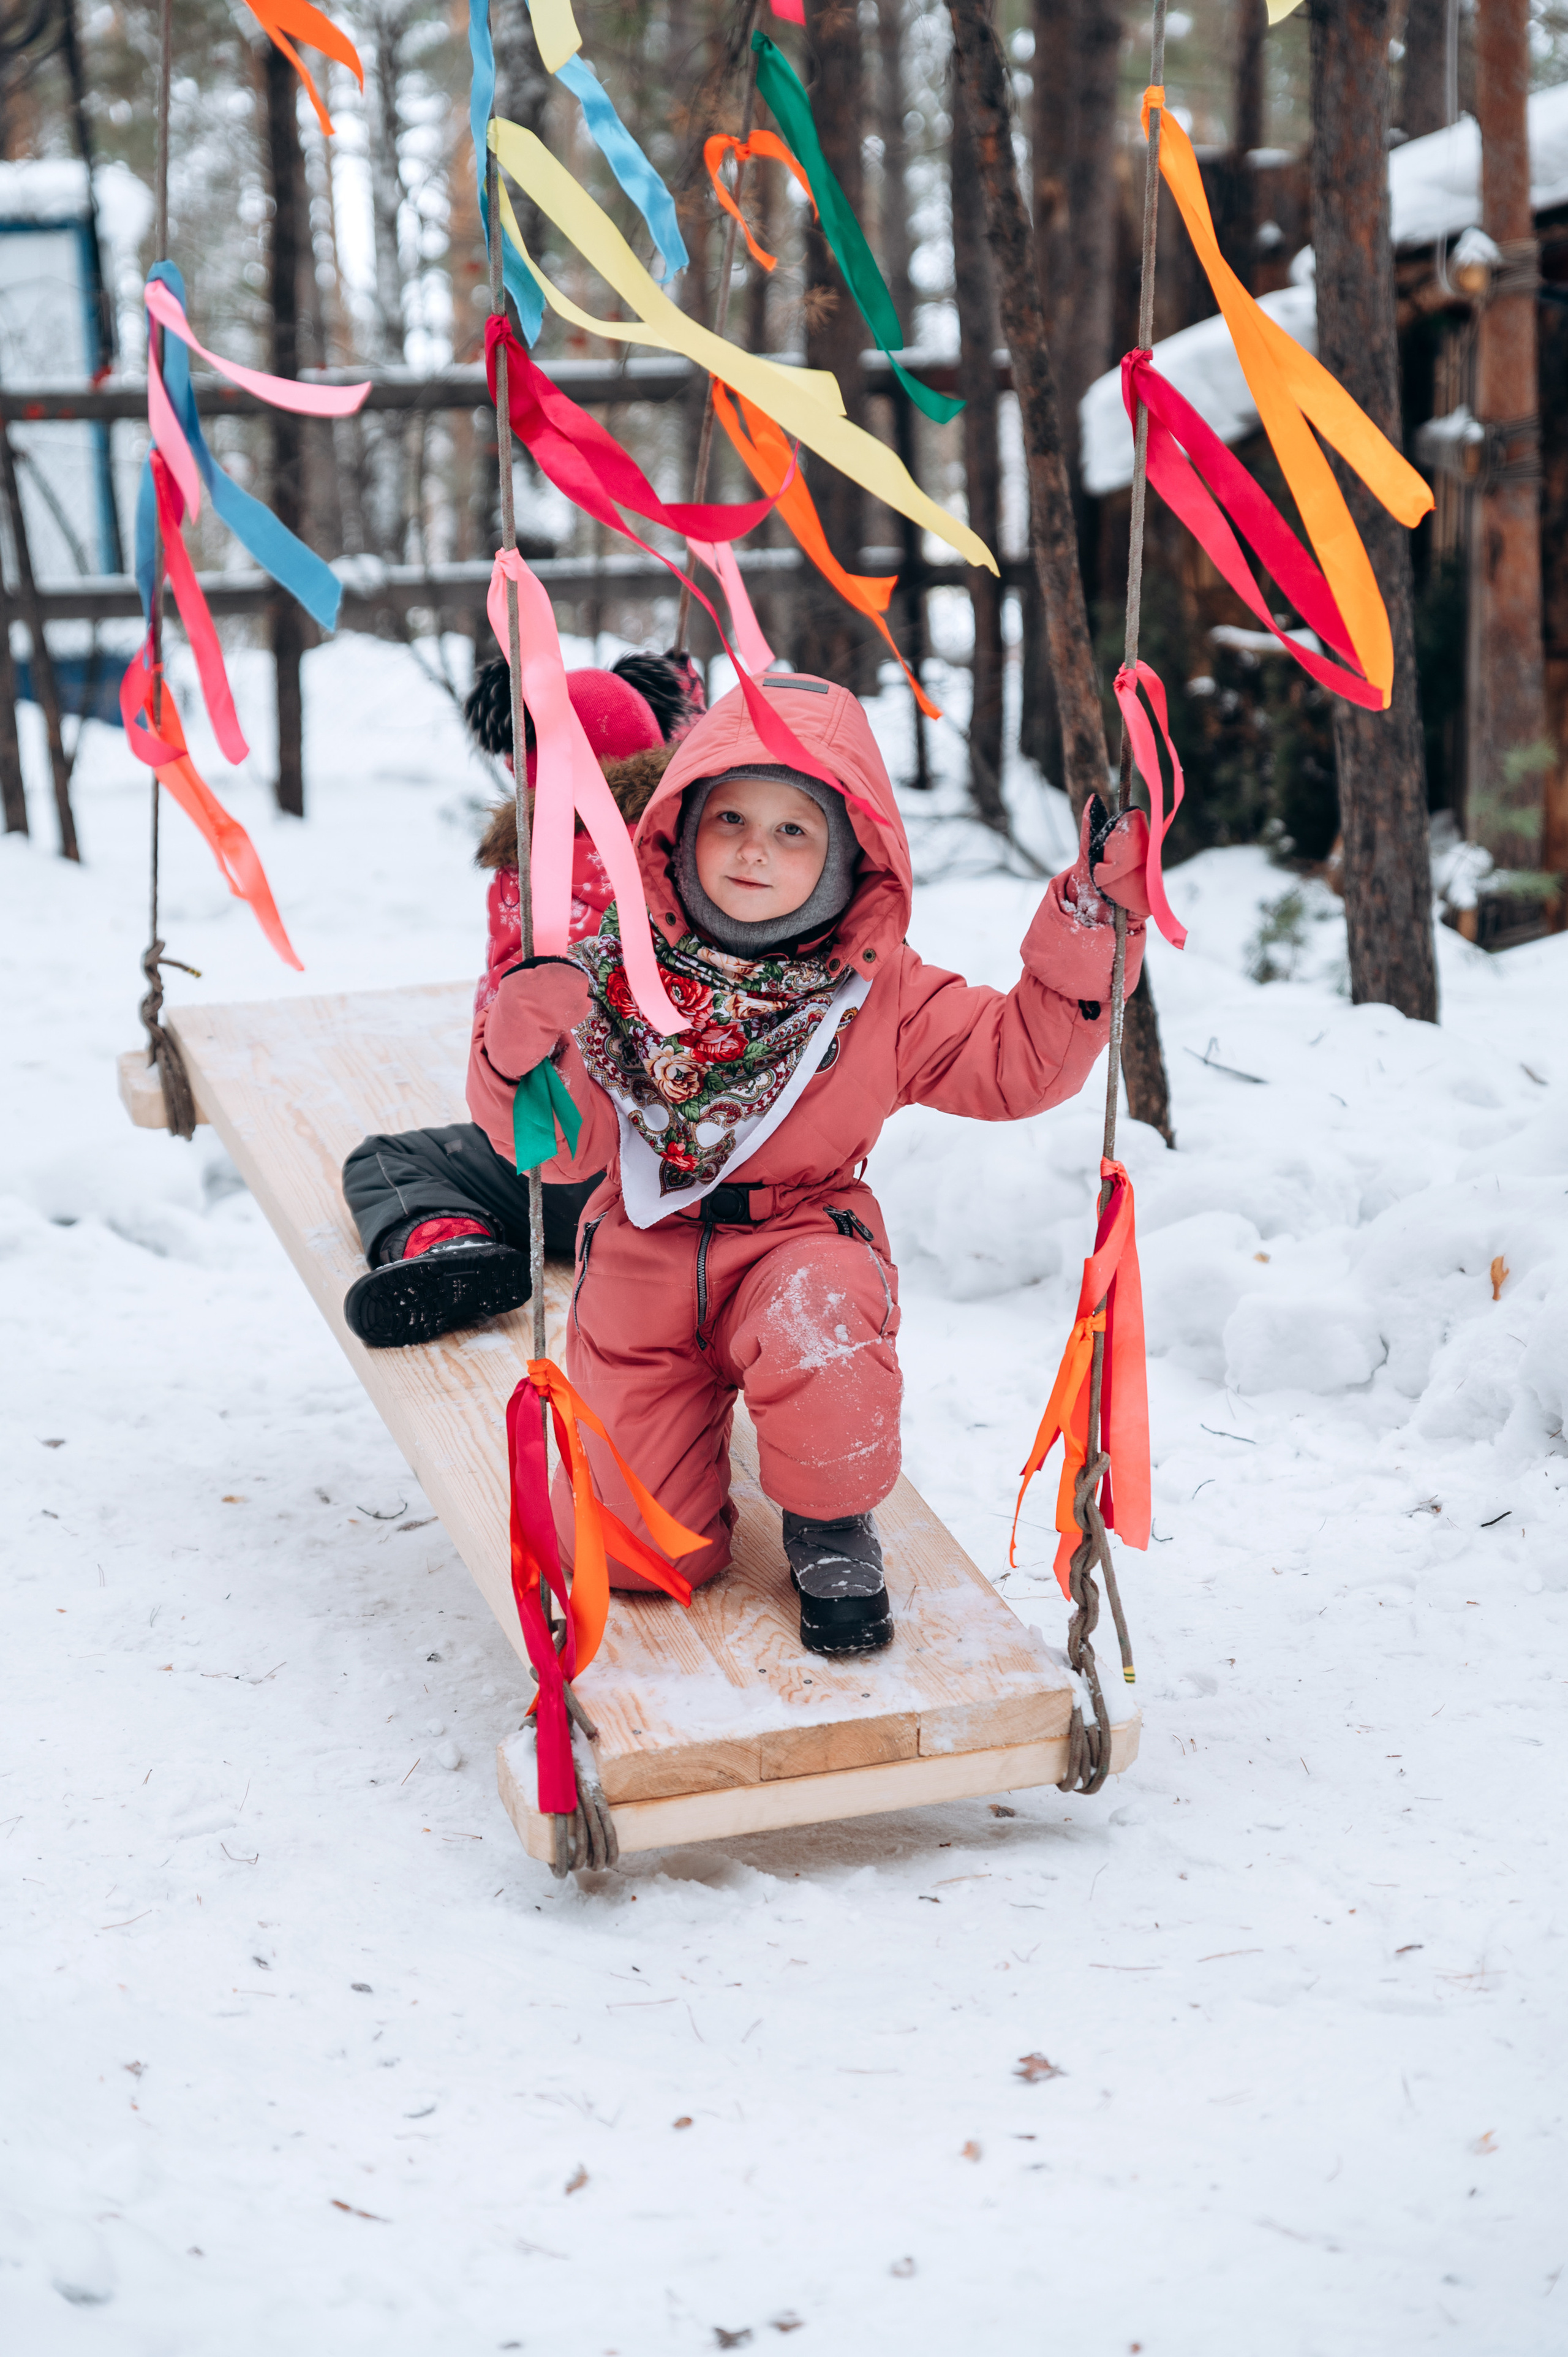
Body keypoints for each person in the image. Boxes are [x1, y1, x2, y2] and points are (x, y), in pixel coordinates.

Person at [459, 671, 1151, 1657]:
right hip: (646, 1249)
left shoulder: (879, 992)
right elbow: (562, 1149)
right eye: (730, 817)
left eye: (794, 830)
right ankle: (666, 1472)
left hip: (798, 1230)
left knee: (818, 1309)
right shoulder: (616, 968)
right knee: (635, 1553)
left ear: (847, 855)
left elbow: (1016, 1063)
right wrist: (516, 1054)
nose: (754, 848)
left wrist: (1088, 929)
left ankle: (830, 1524)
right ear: (679, 829)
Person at [339, 651, 695, 1347]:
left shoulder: (531, 873)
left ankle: (450, 1242)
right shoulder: (710, 847)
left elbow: (509, 1030)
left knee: (385, 1159)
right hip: (709, 1173)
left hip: (585, 1184)